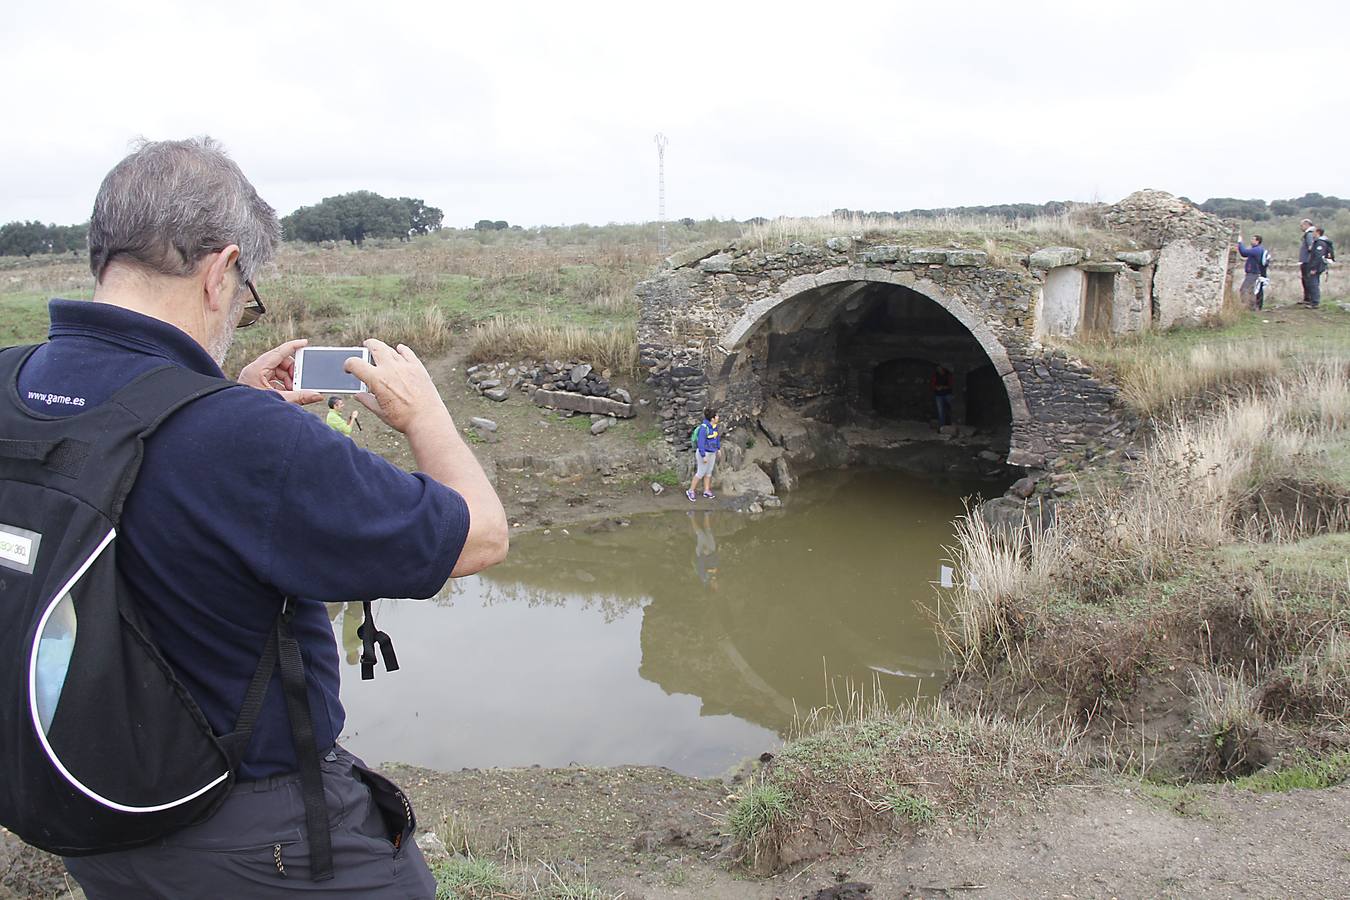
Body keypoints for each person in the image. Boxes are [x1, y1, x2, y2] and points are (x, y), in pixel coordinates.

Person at [21, 138, 508, 897]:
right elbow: (479, 534)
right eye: (247, 290)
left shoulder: (14, 382)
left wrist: (220, 400)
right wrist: (427, 417)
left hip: (86, 803)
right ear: (221, 270)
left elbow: (135, 472)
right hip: (252, 831)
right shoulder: (245, 442)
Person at [687, 407, 721, 501]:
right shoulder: (703, 428)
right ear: (712, 418)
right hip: (704, 453)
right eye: (717, 416)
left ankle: (706, 490)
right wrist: (703, 455)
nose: (718, 417)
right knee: (700, 473)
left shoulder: (715, 427)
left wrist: (718, 449)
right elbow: (700, 443)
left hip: (712, 452)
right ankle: (690, 491)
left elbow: (717, 438)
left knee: (709, 472)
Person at [1235, 234, 1271, 311]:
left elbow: (1244, 252)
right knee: (1251, 291)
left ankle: (1246, 306)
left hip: (1253, 273)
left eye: (1253, 239)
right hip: (1254, 273)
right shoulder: (1258, 249)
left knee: (1244, 289)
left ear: (1257, 241)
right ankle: (1253, 307)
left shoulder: (1256, 250)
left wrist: (1240, 242)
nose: (1251, 241)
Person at [690, 509, 720, 591]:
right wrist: (715, 553)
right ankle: (706, 515)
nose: (718, 584)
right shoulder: (716, 577)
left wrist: (704, 553)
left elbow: (700, 564)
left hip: (702, 552)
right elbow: (716, 563)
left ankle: (691, 516)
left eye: (716, 586)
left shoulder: (704, 577)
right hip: (712, 551)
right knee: (708, 531)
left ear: (712, 586)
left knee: (700, 533)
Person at [1298, 218, 1323, 308]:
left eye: (1302, 225)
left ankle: (1310, 300)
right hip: (1308, 261)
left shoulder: (1309, 234)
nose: (1301, 227)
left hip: (1308, 261)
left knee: (1309, 280)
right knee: (1307, 280)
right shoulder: (1311, 234)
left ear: (1307, 224)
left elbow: (1310, 247)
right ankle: (1308, 299)